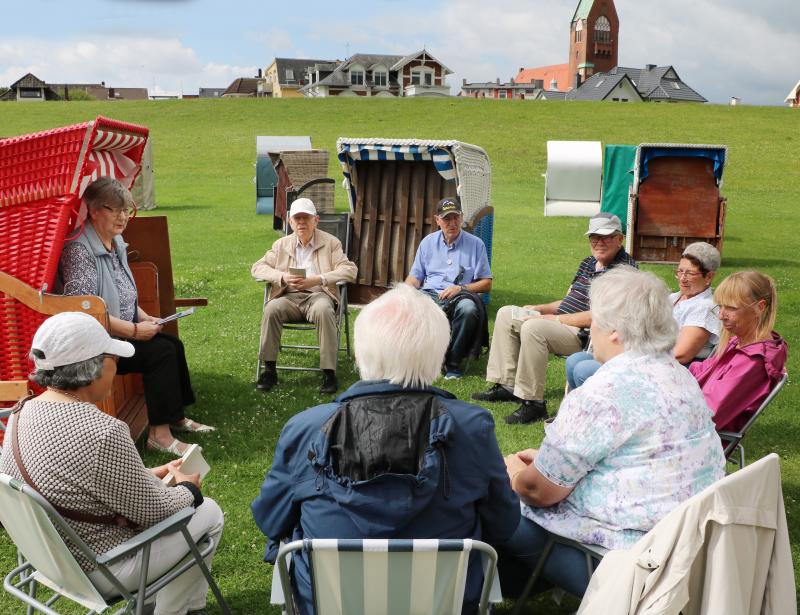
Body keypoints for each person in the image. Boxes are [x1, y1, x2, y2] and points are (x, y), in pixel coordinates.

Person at [251, 284, 520, 615]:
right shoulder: (471, 428)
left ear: (363, 353)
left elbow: (270, 518)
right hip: (444, 604)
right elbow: (504, 524)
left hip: (330, 605)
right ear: (437, 354)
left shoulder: (307, 427)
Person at [499, 267, 726, 599]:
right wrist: (548, 465)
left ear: (616, 331)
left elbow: (537, 491)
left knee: (496, 498)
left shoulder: (602, 393)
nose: (593, 328)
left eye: (597, 322)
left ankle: (489, 591)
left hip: (627, 570)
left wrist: (517, 474)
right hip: (682, 553)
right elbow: (636, 458)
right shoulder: (680, 377)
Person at [0, 312, 224, 615]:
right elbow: (157, 513)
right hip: (101, 567)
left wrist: (143, 474)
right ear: (92, 367)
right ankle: (176, 610)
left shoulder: (21, 413)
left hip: (48, 558)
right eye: (112, 357)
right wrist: (188, 489)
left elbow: (68, 476)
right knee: (208, 511)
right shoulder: (103, 431)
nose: (116, 365)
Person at [57, 176, 213, 457]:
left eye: (126, 210)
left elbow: (125, 293)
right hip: (95, 343)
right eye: (114, 209)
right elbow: (83, 312)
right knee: (161, 353)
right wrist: (132, 330)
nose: (122, 217)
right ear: (92, 210)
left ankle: (175, 416)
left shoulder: (115, 241)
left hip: (119, 330)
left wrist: (144, 317)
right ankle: (159, 436)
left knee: (171, 345)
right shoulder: (79, 251)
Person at [472, 212, 636, 424]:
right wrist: (539, 308)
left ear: (619, 239)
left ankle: (533, 403)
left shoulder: (624, 271)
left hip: (587, 335)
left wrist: (554, 320)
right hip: (561, 321)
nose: (598, 242)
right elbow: (568, 300)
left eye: (605, 237)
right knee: (506, 314)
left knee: (534, 329)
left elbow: (601, 317)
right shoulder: (588, 263)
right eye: (594, 237)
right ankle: (507, 385)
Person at [566, 241, 721, 389]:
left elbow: (681, 354)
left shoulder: (705, 308)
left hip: (666, 372)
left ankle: (597, 411)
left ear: (709, 277)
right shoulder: (673, 298)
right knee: (574, 360)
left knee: (584, 369)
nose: (682, 278)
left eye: (690, 274)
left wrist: (631, 360)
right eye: (680, 271)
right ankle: (578, 412)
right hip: (645, 357)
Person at [251, 198, 357, 394]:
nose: (301, 222)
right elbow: (257, 268)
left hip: (318, 296)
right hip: (288, 297)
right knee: (271, 308)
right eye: (296, 218)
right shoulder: (281, 244)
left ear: (316, 220)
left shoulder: (331, 243)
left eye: (305, 218)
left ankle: (329, 373)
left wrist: (318, 279)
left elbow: (350, 270)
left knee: (324, 310)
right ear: (290, 222)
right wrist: (282, 277)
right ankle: (269, 371)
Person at [689, 270, 788, 433]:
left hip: (696, 441)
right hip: (687, 420)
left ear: (759, 307)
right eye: (720, 307)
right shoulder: (739, 342)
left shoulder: (752, 361)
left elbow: (709, 414)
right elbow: (702, 371)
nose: (721, 316)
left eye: (731, 308)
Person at [404, 197, 492, 379]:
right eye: (446, 219)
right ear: (437, 220)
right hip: (430, 294)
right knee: (412, 307)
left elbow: (486, 283)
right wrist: (405, 291)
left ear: (461, 217)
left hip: (460, 296)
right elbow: (415, 276)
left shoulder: (476, 244)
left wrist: (461, 288)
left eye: (455, 217)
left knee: (468, 309)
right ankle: (419, 360)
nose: (452, 223)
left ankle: (452, 362)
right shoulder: (427, 243)